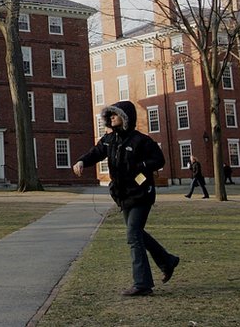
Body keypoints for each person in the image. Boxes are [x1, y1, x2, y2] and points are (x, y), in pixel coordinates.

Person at [73, 100, 180, 297]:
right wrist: (81, 161)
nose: (112, 118)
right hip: (123, 196)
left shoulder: (141, 140)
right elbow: (95, 153)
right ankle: (167, 261)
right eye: (110, 115)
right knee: (137, 233)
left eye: (115, 114)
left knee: (133, 235)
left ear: (125, 118)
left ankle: (143, 284)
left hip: (142, 194)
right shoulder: (109, 140)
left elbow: (159, 160)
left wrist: (141, 167)